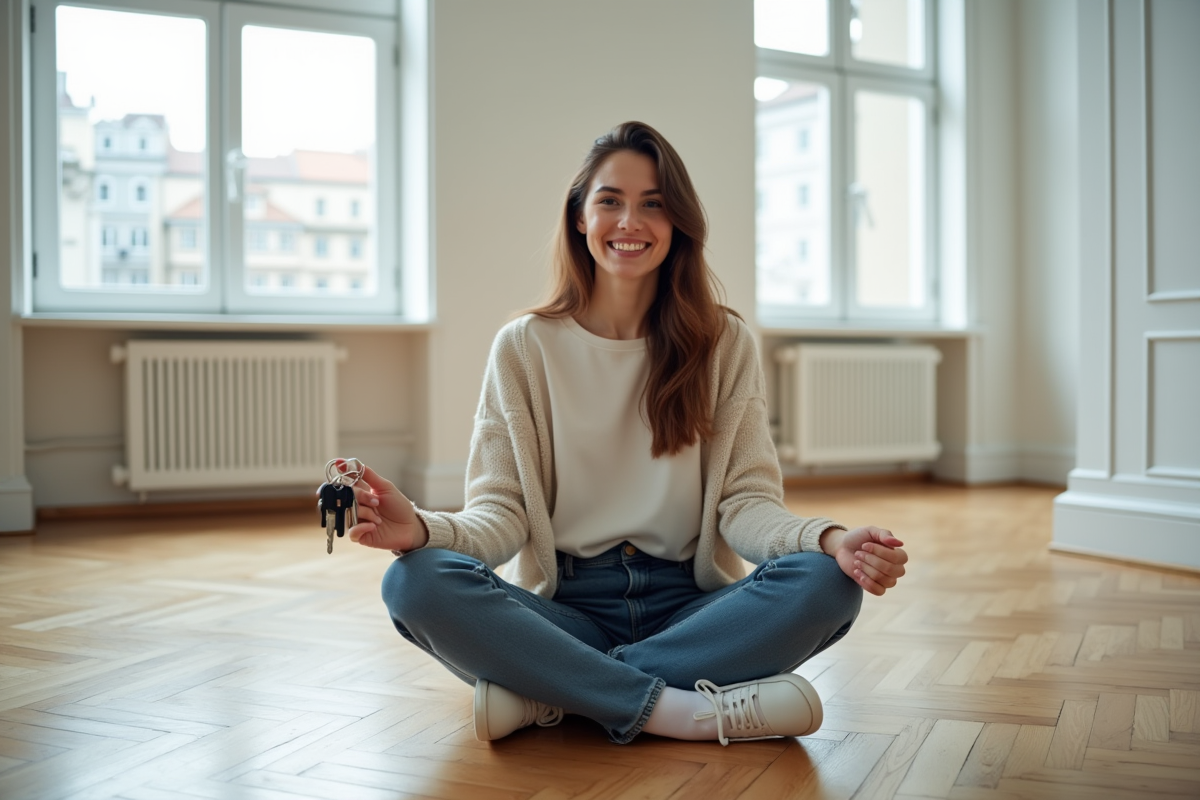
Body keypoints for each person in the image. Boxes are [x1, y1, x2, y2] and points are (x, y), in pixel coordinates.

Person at [344, 121, 908, 746]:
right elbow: (501, 513)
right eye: (610, 200)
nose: (629, 222)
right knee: (413, 581)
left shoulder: (723, 343)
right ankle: (678, 708)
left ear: (679, 225)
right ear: (580, 217)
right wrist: (422, 530)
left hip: (694, 610)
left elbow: (745, 506)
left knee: (827, 581)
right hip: (566, 611)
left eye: (654, 205)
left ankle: (551, 695)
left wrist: (828, 540)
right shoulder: (524, 347)